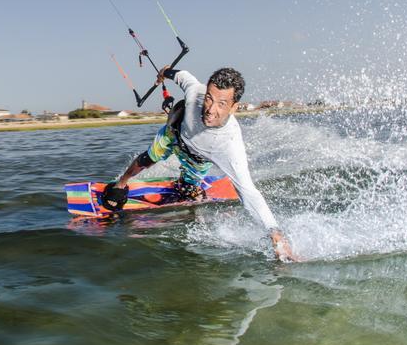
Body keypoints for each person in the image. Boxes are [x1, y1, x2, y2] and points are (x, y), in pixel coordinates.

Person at [106, 66, 299, 262]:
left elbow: (249, 192)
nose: (210, 109)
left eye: (222, 104)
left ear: (234, 107)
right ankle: (121, 184)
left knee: (189, 188)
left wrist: (275, 234)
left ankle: (190, 188)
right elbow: (182, 76)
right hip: (173, 135)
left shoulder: (229, 146)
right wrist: (165, 72)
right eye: (209, 98)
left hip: (197, 158)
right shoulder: (195, 91)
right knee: (148, 158)